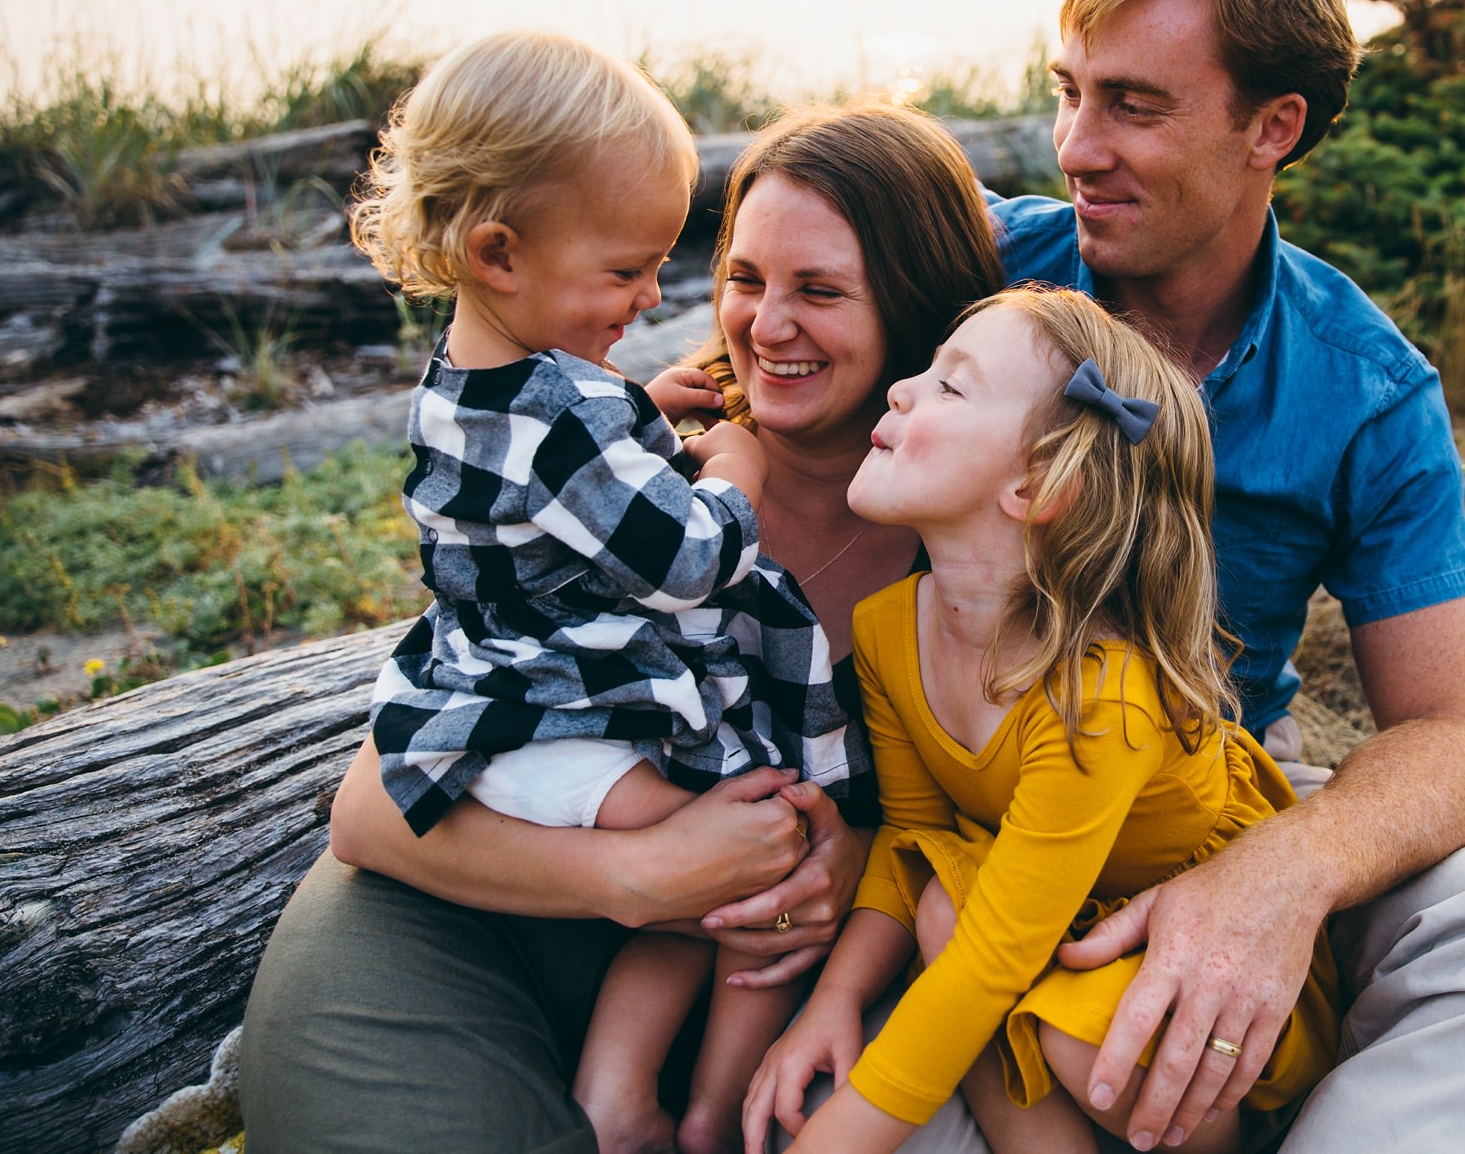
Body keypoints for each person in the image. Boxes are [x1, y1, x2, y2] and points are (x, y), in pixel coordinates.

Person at [969, 0, 1465, 1152]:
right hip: (945, 794)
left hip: (1196, 805)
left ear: (1273, 128)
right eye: (1069, 90)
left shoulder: (1366, 389)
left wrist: (1275, 877)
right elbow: (773, 329)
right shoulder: (971, 265)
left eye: (1133, 105)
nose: (1074, 144)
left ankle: (1333, 1049)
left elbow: (1455, 736)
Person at [238, 100, 1005, 1154]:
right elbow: (373, 809)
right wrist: (642, 879)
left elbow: (989, 812)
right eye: (742, 278)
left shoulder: (969, 549)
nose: (764, 325)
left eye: (819, 290)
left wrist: (842, 869)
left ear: (913, 306)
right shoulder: (626, 478)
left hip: (755, 973)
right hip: (469, 926)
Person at [345, 30, 881, 1154]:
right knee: (744, 859)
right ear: (500, 254)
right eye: (626, 270)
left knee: (723, 869)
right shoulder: (566, 418)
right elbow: (681, 556)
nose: (650, 294)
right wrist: (726, 475)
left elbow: (551, 442)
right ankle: (668, 1108)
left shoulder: (473, 380)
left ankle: (632, 1094)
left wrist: (636, 401)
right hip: (565, 709)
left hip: (508, 692)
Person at [746, 287, 1343, 1154]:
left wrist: (837, 1137)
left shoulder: (1098, 701)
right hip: (1037, 911)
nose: (901, 389)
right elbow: (910, 840)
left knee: (1073, 1030)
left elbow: (994, 961)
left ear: (1037, 484)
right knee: (946, 909)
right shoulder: (887, 629)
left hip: (1186, 933)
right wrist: (833, 1003)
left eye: (950, 388)